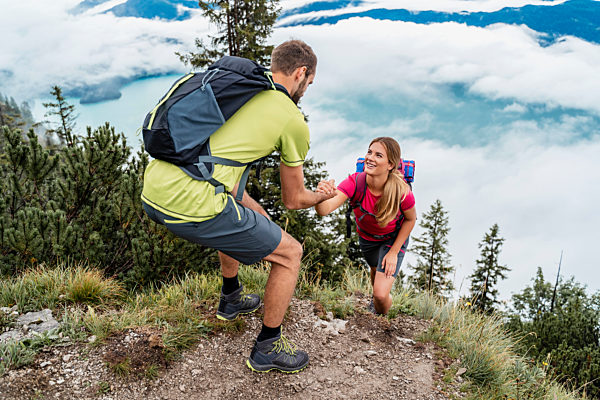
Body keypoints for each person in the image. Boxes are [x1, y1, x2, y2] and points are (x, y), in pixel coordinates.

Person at [141, 40, 336, 373]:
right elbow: (293, 200)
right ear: (301, 73)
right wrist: (323, 195)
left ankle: (231, 298)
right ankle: (268, 347)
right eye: (309, 83)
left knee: (242, 208)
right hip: (190, 201)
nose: (307, 90)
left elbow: (222, 166)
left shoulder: (239, 93)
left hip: (156, 186)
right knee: (290, 254)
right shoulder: (292, 119)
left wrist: (255, 212)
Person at [315, 137, 416, 315]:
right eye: (369, 152)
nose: (370, 157)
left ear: (390, 164)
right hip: (367, 238)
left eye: (378, 155)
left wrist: (393, 252)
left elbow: (411, 219)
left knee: (380, 295)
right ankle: (376, 303)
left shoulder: (402, 192)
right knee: (375, 269)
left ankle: (380, 316)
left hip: (393, 239)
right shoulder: (355, 183)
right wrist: (321, 196)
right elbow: (324, 210)